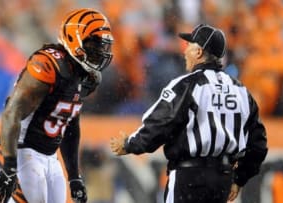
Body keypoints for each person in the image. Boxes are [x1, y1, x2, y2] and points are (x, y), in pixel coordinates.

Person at [110, 24, 268, 203]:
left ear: (199, 52)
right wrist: (239, 178)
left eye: (189, 45)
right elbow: (258, 143)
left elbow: (160, 123)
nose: (185, 51)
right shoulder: (241, 91)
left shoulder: (186, 85)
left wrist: (131, 144)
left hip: (189, 177)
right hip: (223, 178)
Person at [0, 8, 113, 203]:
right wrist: (9, 166)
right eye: (94, 43)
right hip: (21, 149)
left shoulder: (87, 77)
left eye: (103, 45)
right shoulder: (48, 64)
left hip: (49, 156)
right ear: (75, 40)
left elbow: (70, 126)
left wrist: (74, 176)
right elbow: (11, 113)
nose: (100, 51)